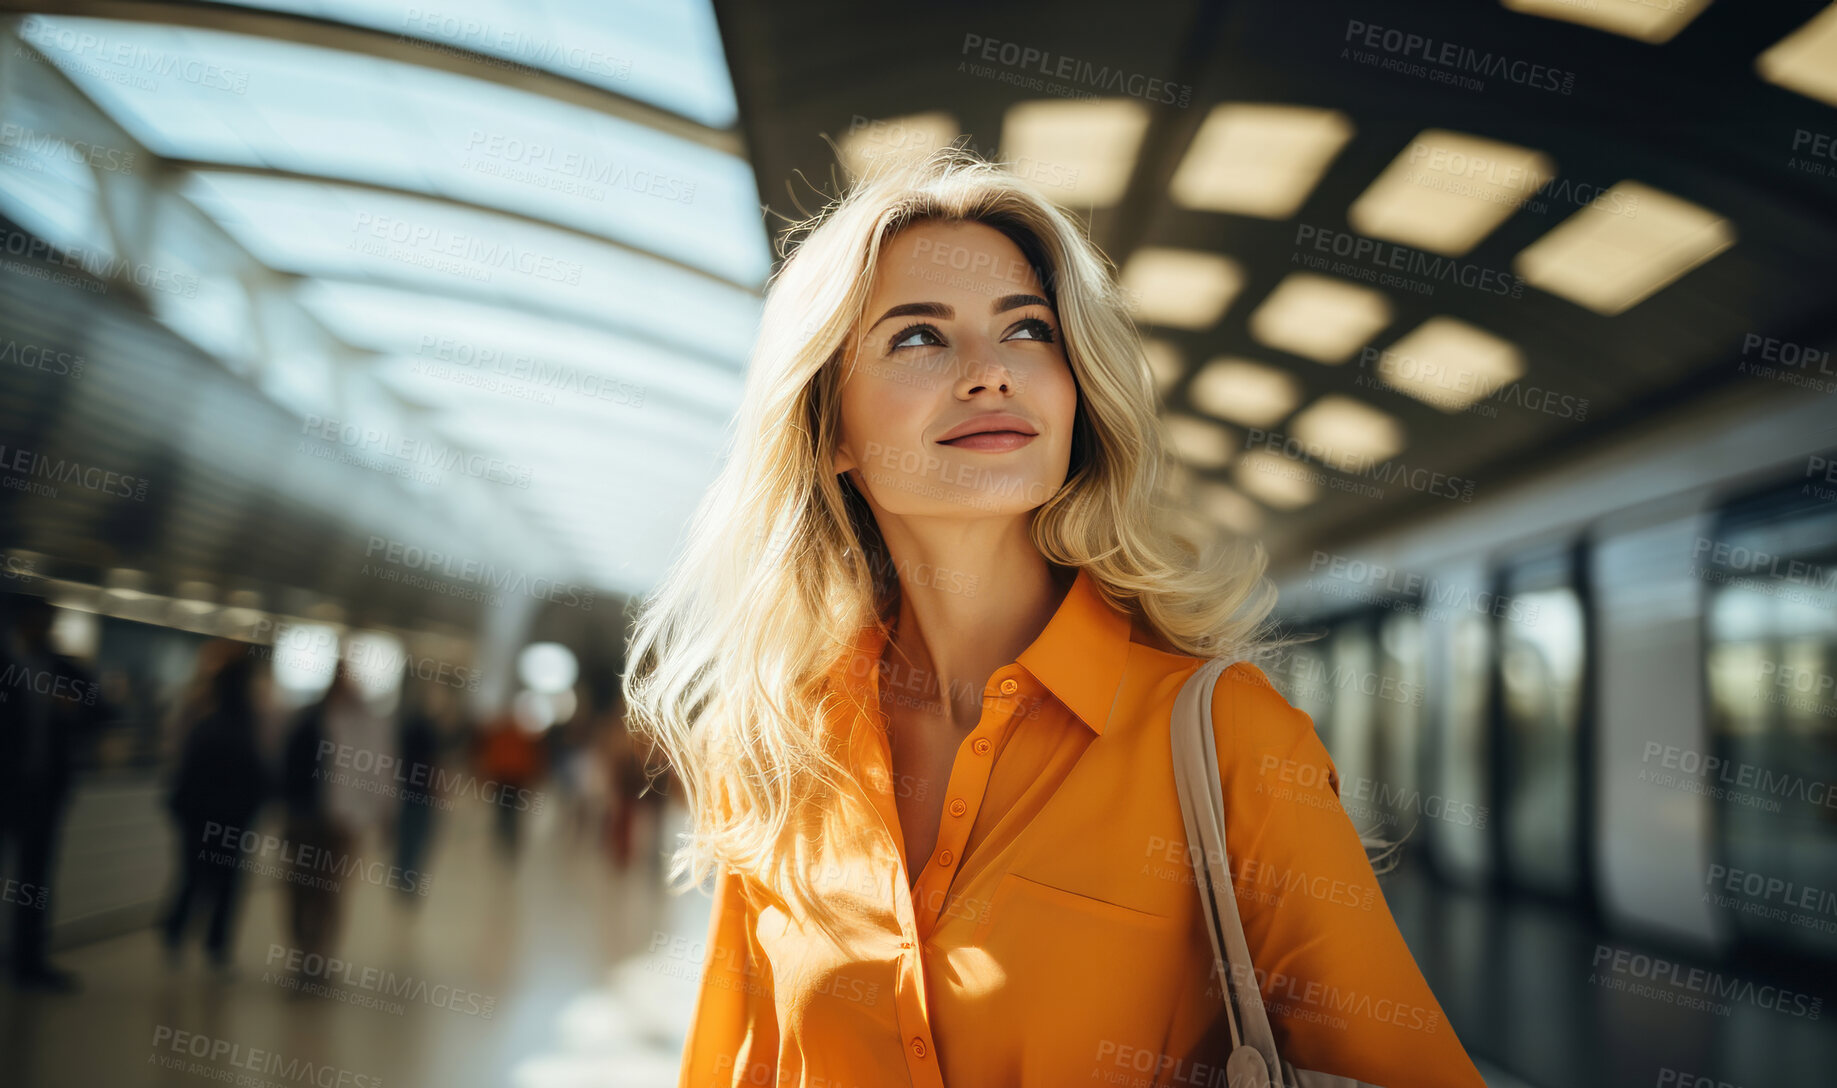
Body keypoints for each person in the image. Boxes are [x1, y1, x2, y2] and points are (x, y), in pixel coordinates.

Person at [623, 149, 1488, 1087]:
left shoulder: (1225, 737)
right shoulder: (784, 747)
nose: (989, 373)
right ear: (828, 427)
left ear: (1075, 388)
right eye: (918, 338)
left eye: (1027, 330)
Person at [0, 594, 103, 991]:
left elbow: (104, 710)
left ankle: (28, 961)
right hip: (9, 784)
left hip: (44, 788)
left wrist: (74, 709)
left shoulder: (60, 667)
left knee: (34, 881)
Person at [162, 648, 272, 968]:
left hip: (209, 813)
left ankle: (185, 934)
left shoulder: (209, 717)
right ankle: (210, 942)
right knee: (219, 882)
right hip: (224, 815)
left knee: (197, 878)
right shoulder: (236, 721)